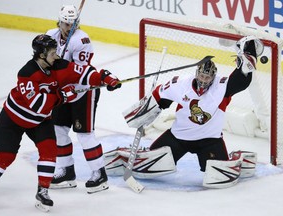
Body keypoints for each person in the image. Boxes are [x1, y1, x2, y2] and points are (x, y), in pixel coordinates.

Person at [105, 36, 262, 188]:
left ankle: (239, 158)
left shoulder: (221, 87)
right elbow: (159, 96)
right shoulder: (181, 84)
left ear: (213, 77)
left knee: (219, 176)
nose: (204, 80)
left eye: (208, 78)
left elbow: (242, 80)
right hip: (178, 137)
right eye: (201, 75)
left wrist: (248, 56)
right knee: (146, 165)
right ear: (196, 74)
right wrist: (147, 111)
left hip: (209, 140)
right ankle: (124, 154)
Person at [0, 34, 121, 211]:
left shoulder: (59, 65)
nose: (57, 56)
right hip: (14, 119)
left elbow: (83, 72)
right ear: (41, 55)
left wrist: (104, 77)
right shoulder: (27, 73)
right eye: (53, 53)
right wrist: (62, 96)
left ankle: (43, 192)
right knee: (5, 157)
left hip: (40, 120)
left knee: (49, 151)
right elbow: (38, 104)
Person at [46, 5, 108, 193]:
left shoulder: (82, 40)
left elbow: (80, 71)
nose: (69, 26)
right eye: (66, 23)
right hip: (62, 91)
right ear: (60, 21)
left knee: (84, 134)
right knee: (58, 129)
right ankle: (66, 171)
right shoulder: (50, 35)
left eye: (72, 23)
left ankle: (100, 174)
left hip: (83, 91)